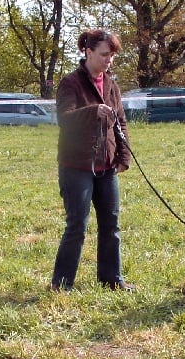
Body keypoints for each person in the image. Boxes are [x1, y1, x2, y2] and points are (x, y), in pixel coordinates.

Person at [50, 29, 133, 292]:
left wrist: (123, 155)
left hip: (106, 166)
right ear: (88, 52)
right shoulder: (70, 83)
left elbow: (120, 121)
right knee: (77, 226)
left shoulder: (112, 85)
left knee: (111, 225)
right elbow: (64, 118)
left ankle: (112, 279)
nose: (109, 60)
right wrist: (92, 111)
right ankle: (61, 284)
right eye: (104, 55)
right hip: (77, 166)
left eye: (112, 56)